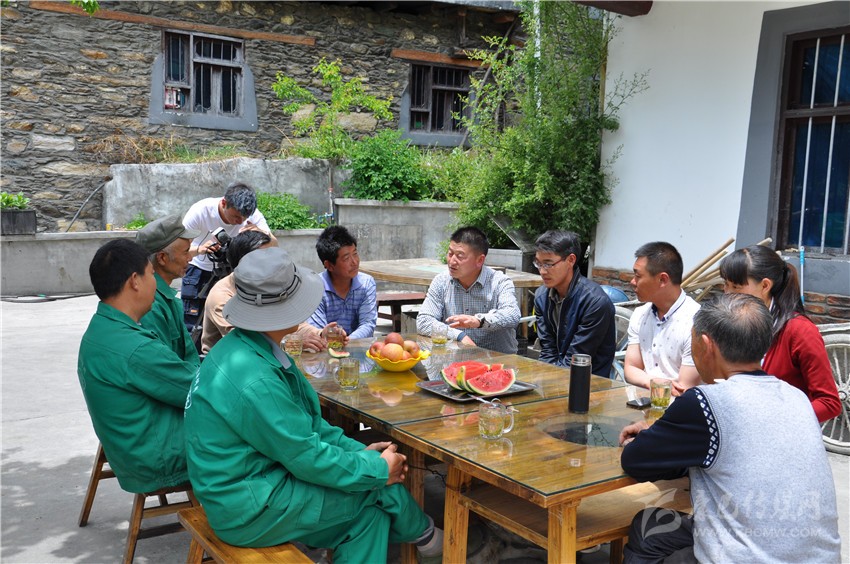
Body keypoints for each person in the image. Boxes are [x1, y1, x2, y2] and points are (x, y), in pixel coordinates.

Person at [184, 247, 442, 561]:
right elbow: (304, 455)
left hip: (252, 484)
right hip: (248, 505)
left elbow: (309, 425)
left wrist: (358, 452)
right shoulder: (255, 376)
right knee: (376, 489)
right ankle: (428, 537)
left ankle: (425, 536)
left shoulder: (248, 348)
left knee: (370, 516)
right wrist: (375, 469)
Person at [618, 294, 841, 563]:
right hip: (820, 557)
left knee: (650, 529)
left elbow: (635, 461)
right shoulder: (797, 397)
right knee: (652, 529)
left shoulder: (706, 402)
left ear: (706, 345)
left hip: (749, 557)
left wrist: (653, 437)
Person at [77, 239, 198, 494]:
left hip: (131, 455)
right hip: (159, 461)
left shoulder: (99, 329)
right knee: (253, 438)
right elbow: (199, 389)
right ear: (135, 281)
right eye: (152, 275)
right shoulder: (135, 348)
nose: (155, 283)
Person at [719, 245, 841, 422]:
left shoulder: (799, 331)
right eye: (725, 284)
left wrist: (778, 420)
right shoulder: (734, 321)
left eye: (736, 287)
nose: (727, 294)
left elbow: (829, 403)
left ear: (765, 285)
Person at [181, 182, 276, 333]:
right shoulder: (201, 211)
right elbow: (179, 249)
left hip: (231, 272)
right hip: (198, 270)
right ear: (224, 203)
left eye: (244, 218)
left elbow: (274, 245)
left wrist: (261, 232)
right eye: (236, 216)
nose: (240, 222)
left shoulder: (252, 215)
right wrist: (200, 249)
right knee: (191, 325)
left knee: (230, 318)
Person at [416, 227, 521, 354]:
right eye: (450, 254)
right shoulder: (441, 281)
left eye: (460, 256)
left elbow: (512, 315)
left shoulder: (500, 282)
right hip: (455, 361)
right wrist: (459, 335)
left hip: (496, 359)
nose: (452, 261)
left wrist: (479, 321)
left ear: (480, 260)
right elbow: (424, 321)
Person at [532, 230, 616, 377]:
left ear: (570, 260)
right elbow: (548, 350)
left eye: (548, 264)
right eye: (538, 263)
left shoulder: (595, 302)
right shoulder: (541, 296)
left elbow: (577, 358)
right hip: (556, 376)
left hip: (590, 381)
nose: (542, 271)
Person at [624, 242, 701, 395]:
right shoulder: (640, 315)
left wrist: (650, 382)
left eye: (638, 276)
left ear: (663, 280)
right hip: (644, 400)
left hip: (680, 406)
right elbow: (630, 368)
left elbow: (684, 388)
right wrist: (653, 382)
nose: (632, 282)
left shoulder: (696, 322)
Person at [135, 214, 201, 366]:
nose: (190, 258)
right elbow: (164, 366)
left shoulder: (164, 297)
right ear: (162, 258)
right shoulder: (150, 304)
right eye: (185, 252)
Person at [305, 225, 378, 345]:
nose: (354, 262)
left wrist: (347, 341)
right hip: (325, 349)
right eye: (346, 258)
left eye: (355, 254)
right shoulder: (315, 288)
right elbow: (318, 331)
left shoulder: (366, 283)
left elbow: (367, 324)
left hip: (358, 348)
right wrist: (331, 336)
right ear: (329, 265)